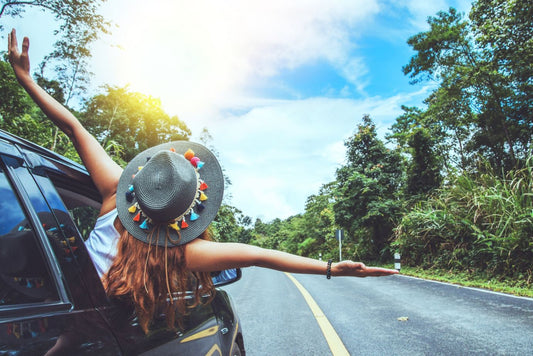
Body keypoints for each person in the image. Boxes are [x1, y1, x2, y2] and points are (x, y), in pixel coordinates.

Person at [7, 29, 398, 334]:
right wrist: (330, 267)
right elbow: (261, 255)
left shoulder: (112, 194)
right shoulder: (179, 254)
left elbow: (74, 127)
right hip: (84, 323)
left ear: (139, 184)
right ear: (189, 212)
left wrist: (26, 78)